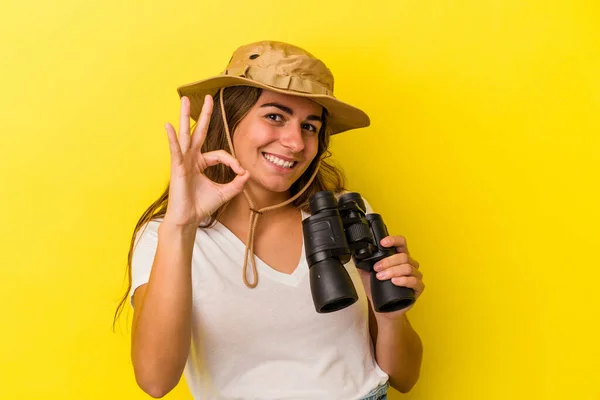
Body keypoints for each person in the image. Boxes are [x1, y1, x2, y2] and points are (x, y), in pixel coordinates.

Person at [114, 40, 425, 400]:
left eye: (310, 126)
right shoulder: (164, 236)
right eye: (275, 116)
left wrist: (390, 314)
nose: (295, 142)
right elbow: (155, 382)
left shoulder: (344, 214)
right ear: (228, 121)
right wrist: (181, 227)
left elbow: (404, 377)